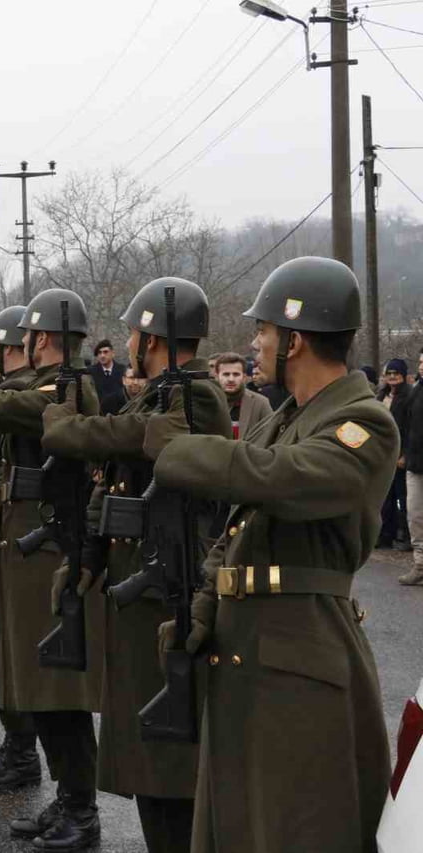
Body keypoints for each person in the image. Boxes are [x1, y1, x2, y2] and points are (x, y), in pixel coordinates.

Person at [147, 256, 396, 853]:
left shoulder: (362, 423)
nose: (255, 343)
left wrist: (181, 450)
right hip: (246, 647)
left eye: (262, 331)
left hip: (302, 651)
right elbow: (239, 530)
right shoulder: (289, 417)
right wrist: (207, 602)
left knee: (296, 825)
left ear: (295, 339)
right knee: (239, 822)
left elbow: (283, 479)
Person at [43, 277, 231, 853]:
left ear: (153, 335)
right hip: (141, 587)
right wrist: (94, 553)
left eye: (133, 331)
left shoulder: (197, 397)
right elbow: (122, 467)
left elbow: (137, 438)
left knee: (169, 758)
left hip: (168, 589)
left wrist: (70, 429)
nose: (126, 341)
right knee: (150, 753)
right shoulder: (158, 393)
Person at [0, 288, 104, 851]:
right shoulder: (49, 388)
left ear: (40, 339)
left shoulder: (68, 389)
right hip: (30, 549)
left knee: (58, 689)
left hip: (53, 553)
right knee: (37, 682)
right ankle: (66, 796)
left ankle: (81, 809)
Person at [377, 358, 412, 551]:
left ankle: (407, 536)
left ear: (403, 376)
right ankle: (385, 535)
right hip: (383, 454)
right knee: (384, 498)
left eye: (396, 374)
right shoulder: (381, 396)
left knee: (404, 497)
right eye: (389, 373)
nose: (392, 377)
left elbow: (411, 429)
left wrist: (405, 454)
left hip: (400, 455)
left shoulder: (409, 396)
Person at [215, 351, 272, 439]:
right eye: (226, 374)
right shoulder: (208, 402)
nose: (231, 379)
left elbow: (270, 436)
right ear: (217, 376)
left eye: (236, 374)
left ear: (244, 377)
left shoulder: (261, 403)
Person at [402, 347, 423, 585]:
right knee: (415, 516)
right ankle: (420, 565)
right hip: (415, 464)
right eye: (420, 362)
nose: (421, 366)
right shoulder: (415, 392)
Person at [89, 338, 126, 415]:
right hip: (99, 415)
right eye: (99, 353)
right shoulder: (91, 372)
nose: (102, 355)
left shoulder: (123, 370)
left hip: (119, 414)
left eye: (105, 352)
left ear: (112, 353)